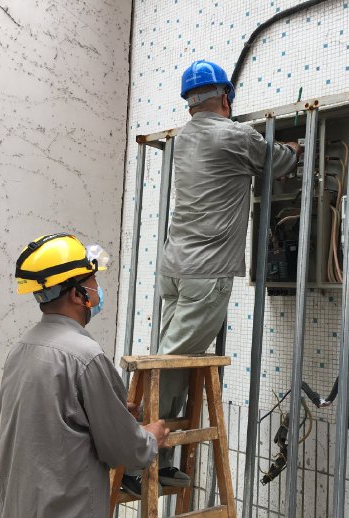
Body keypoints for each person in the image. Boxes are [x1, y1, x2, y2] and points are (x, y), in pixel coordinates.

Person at [122, 60, 300, 494]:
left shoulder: (183, 138)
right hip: (206, 274)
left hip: (175, 268)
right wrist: (295, 147)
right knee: (168, 365)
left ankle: (158, 460)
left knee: (172, 362)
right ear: (226, 98)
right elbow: (278, 161)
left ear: (189, 104)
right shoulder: (236, 136)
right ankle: (136, 461)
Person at [0, 233, 170, 517]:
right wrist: (149, 438)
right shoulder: (85, 356)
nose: (97, 288)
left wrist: (107, 412)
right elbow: (122, 450)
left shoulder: (21, 348)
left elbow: (48, 418)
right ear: (77, 294)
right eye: (93, 281)